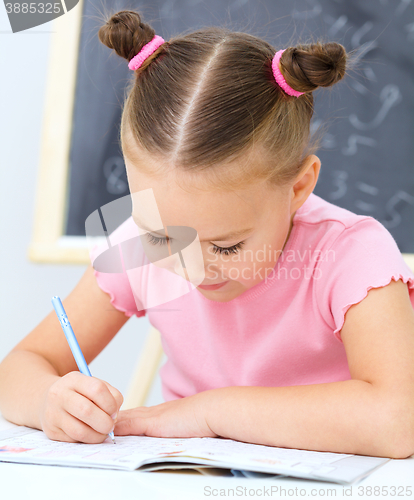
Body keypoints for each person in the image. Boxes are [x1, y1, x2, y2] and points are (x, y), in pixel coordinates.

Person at [1, 9, 413, 459]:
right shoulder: (137, 248)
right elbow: (18, 370)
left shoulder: (351, 256)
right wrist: (49, 402)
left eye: (226, 245)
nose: (191, 267)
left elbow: (398, 421)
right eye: (163, 237)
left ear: (298, 187)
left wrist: (209, 413)